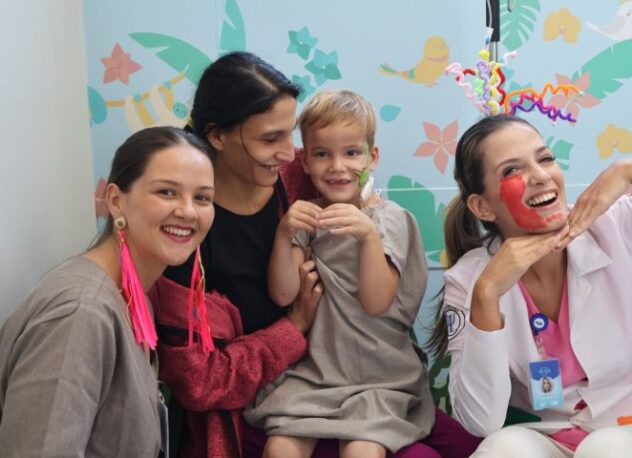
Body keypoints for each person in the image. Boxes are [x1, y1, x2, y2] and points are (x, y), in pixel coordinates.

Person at [150, 52, 480, 458]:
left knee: (471, 448)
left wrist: (369, 228)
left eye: (290, 136)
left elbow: (379, 293)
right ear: (217, 136)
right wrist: (294, 325)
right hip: (286, 385)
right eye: (271, 139)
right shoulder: (189, 230)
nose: (289, 154)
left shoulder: (300, 184)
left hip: (373, 376)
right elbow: (201, 380)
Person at [429, 114, 632, 457]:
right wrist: (487, 295)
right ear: (482, 206)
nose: (541, 176)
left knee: (607, 449)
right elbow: (480, 420)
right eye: (512, 170)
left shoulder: (621, 222)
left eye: (545, 159)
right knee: (502, 450)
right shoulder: (469, 281)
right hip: (552, 437)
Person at [0, 126, 216, 457]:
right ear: (115, 200)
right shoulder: (81, 314)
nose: (188, 211)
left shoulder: (131, 296)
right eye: (167, 192)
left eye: (202, 197)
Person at [243, 89, 435, 458]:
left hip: (378, 377)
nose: (337, 166)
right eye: (321, 154)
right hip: (317, 374)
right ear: (305, 162)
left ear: (371, 157)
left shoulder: (390, 219)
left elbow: (377, 302)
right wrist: (284, 234)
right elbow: (283, 294)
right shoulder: (307, 217)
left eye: (351, 153)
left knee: (362, 449)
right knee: (280, 447)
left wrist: (367, 236)